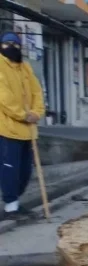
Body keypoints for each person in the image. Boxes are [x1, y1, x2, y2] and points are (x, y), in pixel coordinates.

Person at [0, 32, 43, 221]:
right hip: (7, 129)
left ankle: (15, 201)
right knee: (10, 169)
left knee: (25, 171)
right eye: (7, 44)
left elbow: (36, 92)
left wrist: (36, 113)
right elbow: (4, 98)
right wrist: (23, 115)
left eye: (15, 44)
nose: (12, 47)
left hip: (28, 130)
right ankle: (10, 207)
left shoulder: (25, 68)